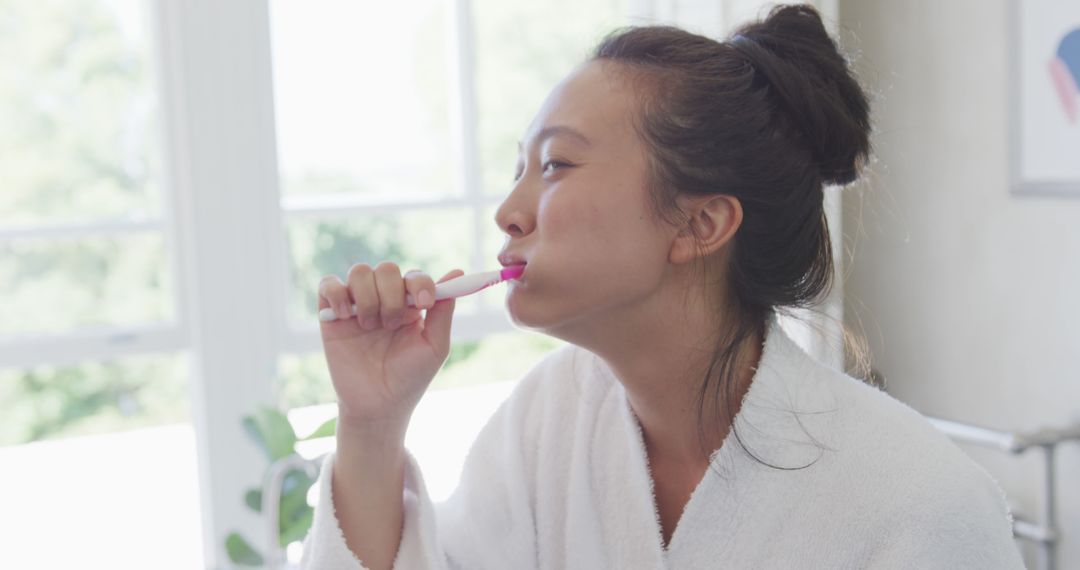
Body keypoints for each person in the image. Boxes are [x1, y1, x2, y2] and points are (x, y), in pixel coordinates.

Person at [304, 4, 1024, 569]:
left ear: (701, 223)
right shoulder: (547, 422)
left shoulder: (922, 506)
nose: (508, 211)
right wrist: (372, 422)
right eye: (518, 167)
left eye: (555, 166)